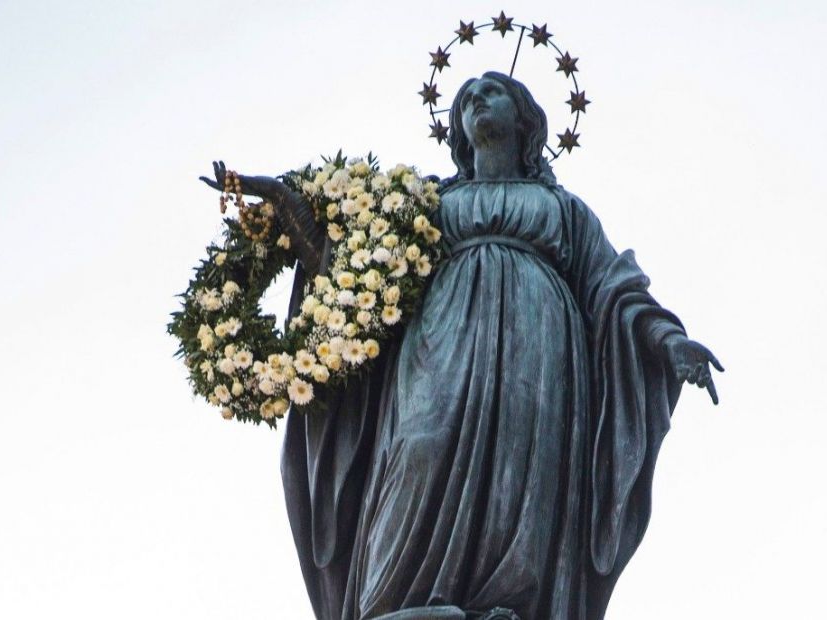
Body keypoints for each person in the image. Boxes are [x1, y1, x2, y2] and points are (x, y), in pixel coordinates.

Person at [202, 71, 722, 620]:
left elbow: (614, 286)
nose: (477, 102)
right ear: (457, 130)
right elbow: (349, 279)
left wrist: (669, 341)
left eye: (490, 93)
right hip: (439, 340)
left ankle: (512, 602)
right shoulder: (430, 202)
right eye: (466, 99)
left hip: (538, 347)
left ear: (523, 118)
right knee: (419, 443)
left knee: (522, 472)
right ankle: (395, 602)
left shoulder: (563, 207)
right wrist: (288, 205)